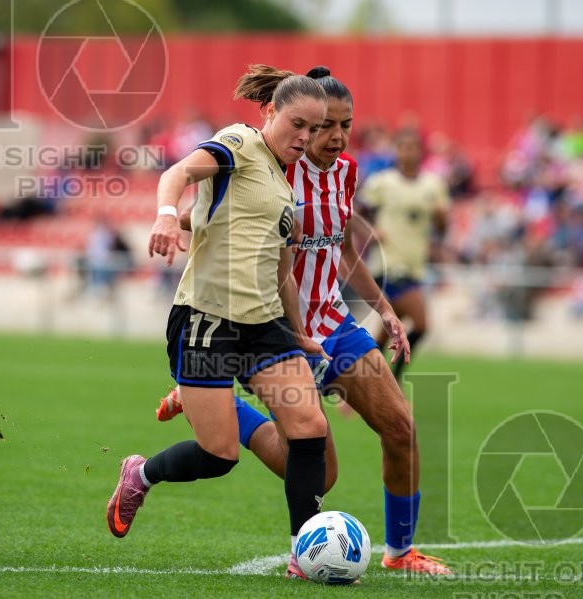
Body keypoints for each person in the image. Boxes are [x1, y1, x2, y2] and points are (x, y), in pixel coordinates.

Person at [158, 67, 452, 576]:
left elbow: (339, 249)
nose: (334, 136)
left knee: (401, 428)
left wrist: (383, 308)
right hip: (276, 326)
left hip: (333, 325)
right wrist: (175, 218)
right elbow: (210, 208)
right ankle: (215, 401)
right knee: (324, 473)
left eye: (345, 125)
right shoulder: (274, 162)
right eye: (324, 126)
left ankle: (401, 553)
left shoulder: (345, 172)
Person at [106, 65, 331, 577]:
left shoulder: (283, 184)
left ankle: (305, 552)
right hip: (207, 318)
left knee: (309, 428)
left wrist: (297, 331)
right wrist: (167, 213)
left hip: (264, 324)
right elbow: (179, 174)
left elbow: (283, 273)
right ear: (269, 111)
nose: (305, 137)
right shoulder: (239, 142)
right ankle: (141, 474)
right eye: (297, 124)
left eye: (314, 130)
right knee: (219, 455)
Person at [358, 128, 450, 380]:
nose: (408, 152)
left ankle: (361, 383)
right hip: (388, 263)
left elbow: (442, 228)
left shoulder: (433, 185)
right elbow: (355, 214)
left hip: (415, 265)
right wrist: (370, 230)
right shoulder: (382, 182)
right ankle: (394, 382)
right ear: (396, 151)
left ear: (420, 152)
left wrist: (442, 219)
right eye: (403, 147)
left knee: (388, 329)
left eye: (413, 147)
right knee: (421, 324)